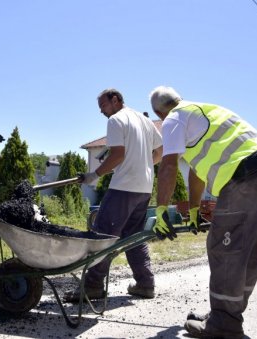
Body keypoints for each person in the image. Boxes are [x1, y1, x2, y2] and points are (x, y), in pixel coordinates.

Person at [149, 86, 257, 339]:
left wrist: (162, 207)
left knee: (225, 249)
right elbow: (197, 172)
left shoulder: (174, 118)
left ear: (159, 113)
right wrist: (195, 209)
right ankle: (226, 314)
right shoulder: (203, 112)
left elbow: (168, 163)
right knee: (249, 248)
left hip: (243, 176)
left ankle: (224, 323)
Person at [63, 88, 163, 302]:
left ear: (115, 99)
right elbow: (160, 152)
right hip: (143, 188)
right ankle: (145, 284)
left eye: (103, 106)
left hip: (124, 188)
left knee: (103, 236)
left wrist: (94, 175)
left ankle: (93, 286)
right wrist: (143, 166)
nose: (102, 112)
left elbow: (118, 155)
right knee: (133, 236)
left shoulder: (117, 120)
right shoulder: (145, 121)